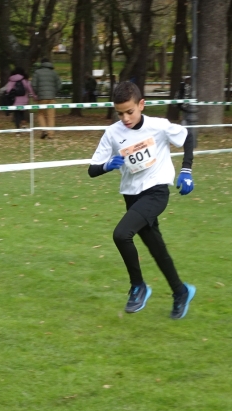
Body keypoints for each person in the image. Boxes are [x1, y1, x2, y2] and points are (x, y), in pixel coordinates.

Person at [87, 81, 196, 319]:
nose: (125, 118)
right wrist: (106, 166)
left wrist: (186, 170)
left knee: (121, 234)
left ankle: (138, 286)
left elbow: (188, 137)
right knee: (156, 248)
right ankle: (181, 291)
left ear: (141, 105)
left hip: (156, 191)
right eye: (120, 113)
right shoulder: (113, 133)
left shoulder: (159, 127)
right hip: (131, 195)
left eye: (130, 111)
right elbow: (92, 169)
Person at [31, 58, 62, 139]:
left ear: (42, 63)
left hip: (42, 97)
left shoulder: (37, 72)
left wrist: (38, 92)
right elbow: (59, 85)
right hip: (52, 97)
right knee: (51, 116)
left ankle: (44, 130)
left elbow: (33, 85)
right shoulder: (54, 73)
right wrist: (54, 92)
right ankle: (51, 134)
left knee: (40, 114)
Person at [4, 66, 36, 135]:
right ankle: (24, 123)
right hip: (24, 100)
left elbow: (8, 90)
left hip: (15, 100)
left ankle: (18, 131)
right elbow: (30, 89)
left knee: (16, 115)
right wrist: (34, 96)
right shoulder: (24, 80)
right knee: (21, 112)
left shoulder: (11, 80)